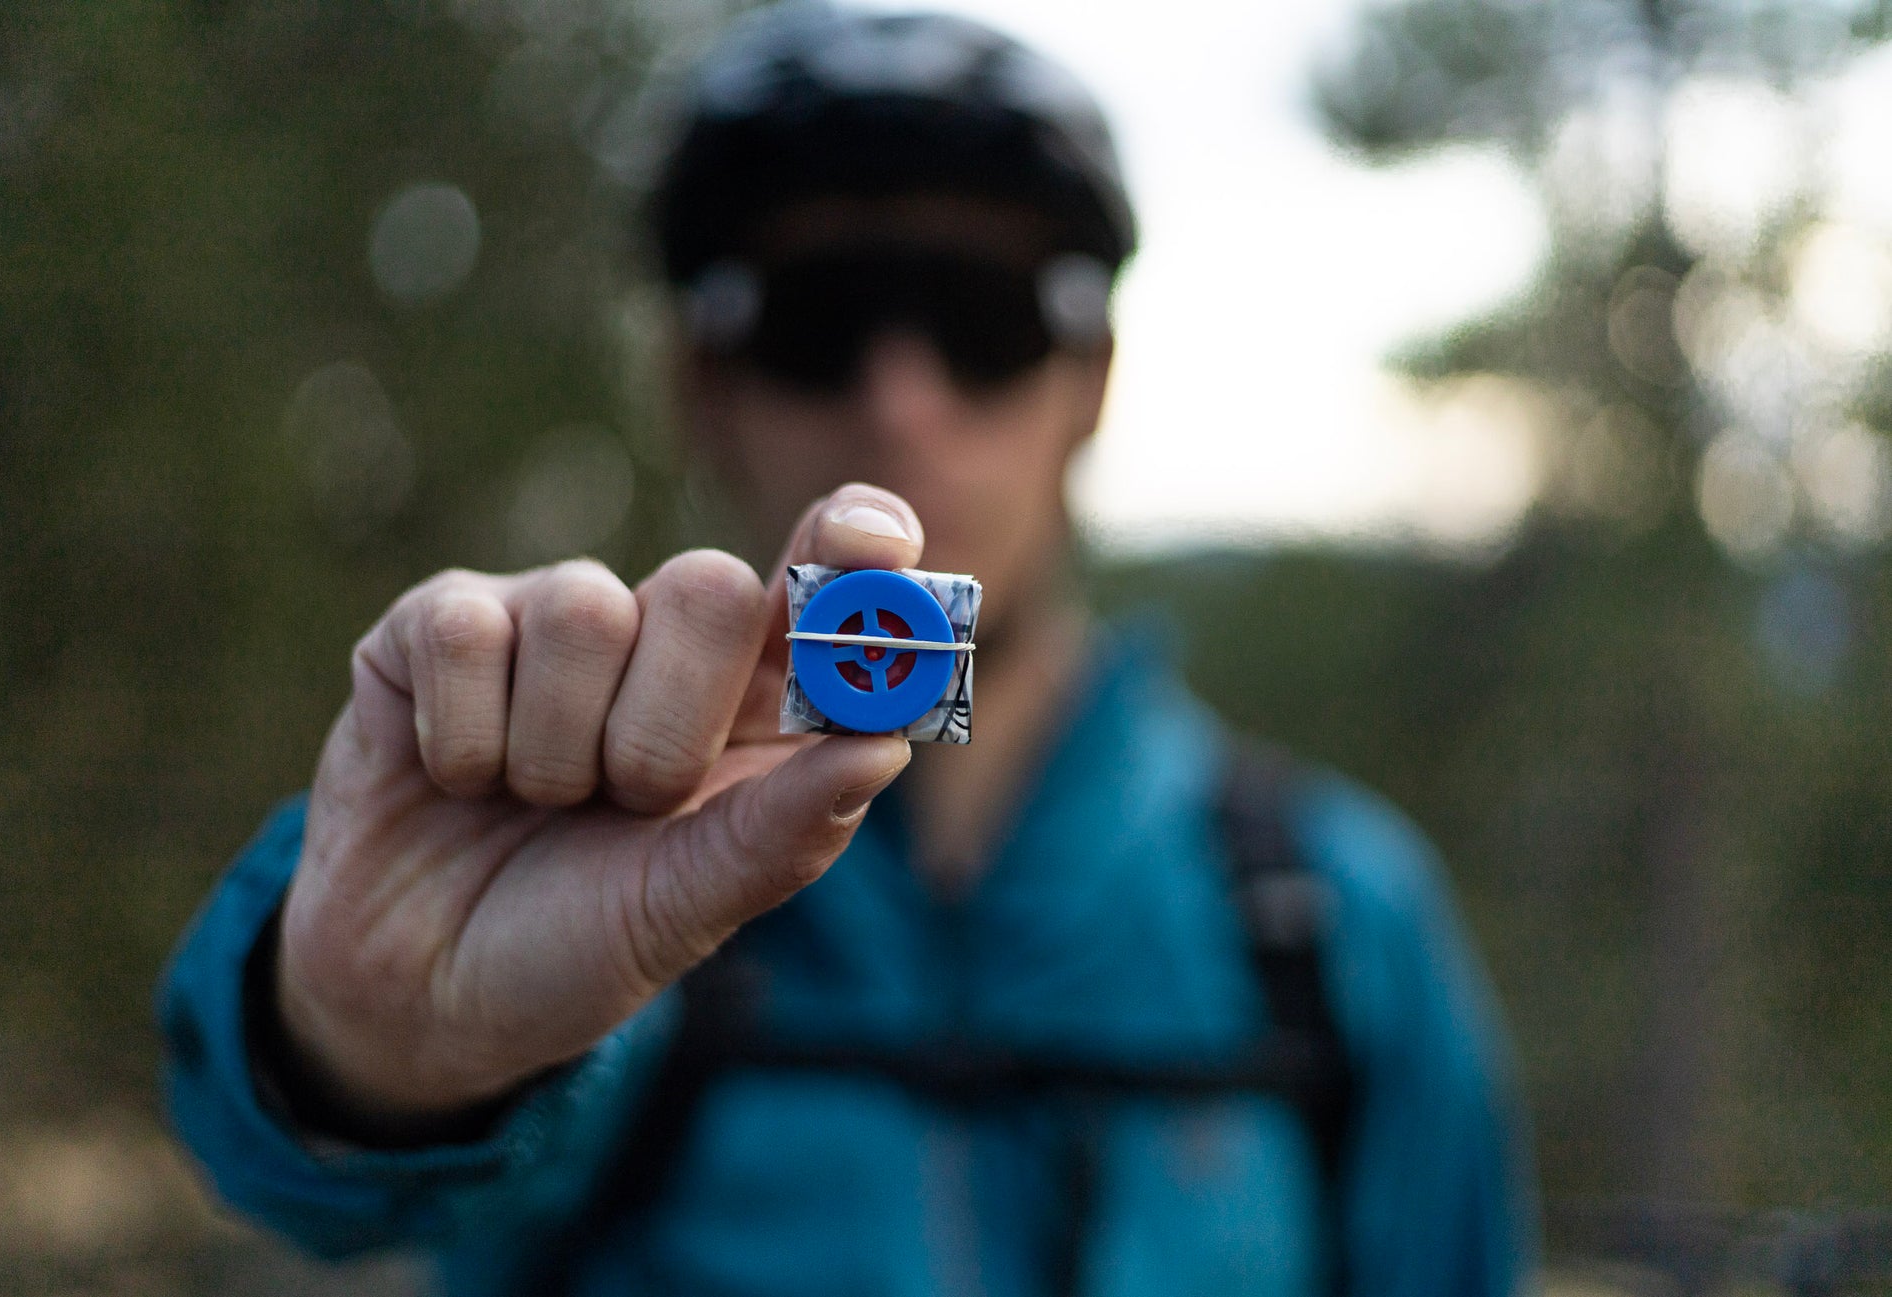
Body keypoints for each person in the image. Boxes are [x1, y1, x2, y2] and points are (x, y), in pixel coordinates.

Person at [159, 5, 1537, 1294]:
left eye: (982, 316)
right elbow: (320, 1182)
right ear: (701, 387)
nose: (900, 401)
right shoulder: (578, 857)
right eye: (814, 319)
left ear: (1088, 380)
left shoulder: (1341, 921)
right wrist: (366, 1048)